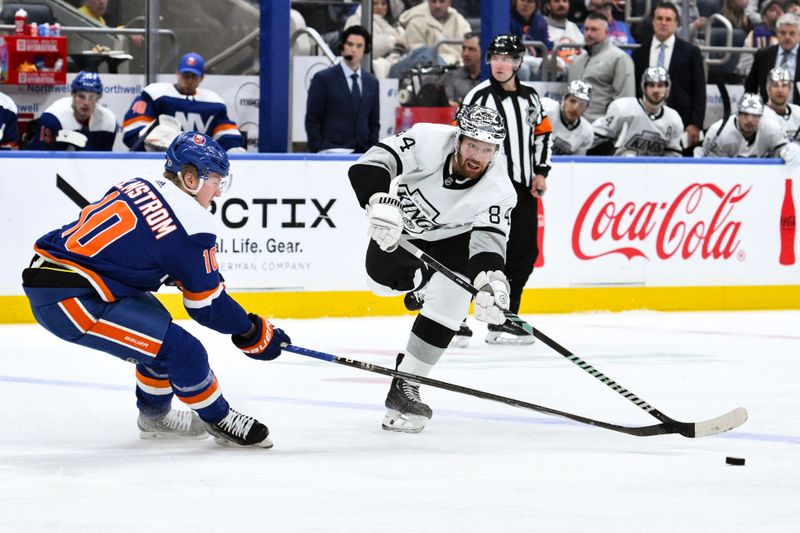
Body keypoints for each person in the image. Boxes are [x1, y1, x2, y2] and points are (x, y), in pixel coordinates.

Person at [21, 131, 291, 448]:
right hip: (70, 300)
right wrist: (252, 331)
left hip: (62, 276)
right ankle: (219, 418)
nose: (218, 193)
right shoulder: (192, 223)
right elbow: (207, 308)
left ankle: (155, 417)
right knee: (183, 350)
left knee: (158, 331)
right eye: (216, 181)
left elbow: (137, 248)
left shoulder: (138, 183)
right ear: (190, 179)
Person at [347, 105, 516, 432]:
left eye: (487, 149)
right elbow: (369, 165)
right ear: (458, 139)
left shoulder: (498, 190)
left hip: (455, 241)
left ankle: (406, 384)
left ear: (496, 151)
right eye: (472, 145)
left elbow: (487, 249)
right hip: (402, 232)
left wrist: (492, 286)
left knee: (456, 296)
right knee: (380, 284)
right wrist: (378, 201)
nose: (478, 156)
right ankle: (422, 287)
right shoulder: (426, 139)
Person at [461, 34, 553, 345]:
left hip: (523, 189)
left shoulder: (531, 98)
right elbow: (458, 141)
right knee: (472, 250)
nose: (500, 64)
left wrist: (540, 171)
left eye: (507, 58)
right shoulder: (477, 96)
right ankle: (454, 316)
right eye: (495, 57)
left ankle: (505, 317)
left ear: (518, 63)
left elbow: (543, 134)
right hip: (485, 189)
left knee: (523, 254)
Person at [122, 52, 244, 152]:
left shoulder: (214, 103)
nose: (189, 81)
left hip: (198, 164)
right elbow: (133, 130)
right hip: (158, 159)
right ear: (177, 73)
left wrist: (232, 148)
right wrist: (154, 143)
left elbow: (226, 134)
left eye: (193, 76)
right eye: (186, 76)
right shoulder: (155, 94)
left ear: (202, 78)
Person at [632, 3, 706, 153]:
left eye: (668, 19)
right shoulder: (640, 53)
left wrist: (695, 124)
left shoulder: (691, 52)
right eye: (659, 18)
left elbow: (699, 91)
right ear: (653, 21)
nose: (663, 23)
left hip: (681, 123)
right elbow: (635, 89)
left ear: (676, 23)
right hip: (645, 124)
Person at [305, 25, 380, 153]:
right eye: (350, 44)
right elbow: (312, 119)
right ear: (342, 46)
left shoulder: (372, 82)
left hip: (363, 154)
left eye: (359, 46)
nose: (353, 49)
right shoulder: (323, 79)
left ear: (366, 49)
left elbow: (373, 122)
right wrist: (319, 151)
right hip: (331, 152)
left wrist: (372, 150)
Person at [591, 66, 683, 156]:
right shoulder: (622, 108)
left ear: (667, 89)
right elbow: (595, 138)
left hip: (653, 170)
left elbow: (673, 155)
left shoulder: (673, 119)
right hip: (619, 167)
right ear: (644, 87)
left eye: (660, 85)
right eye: (651, 85)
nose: (656, 90)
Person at [567, 12, 635, 122]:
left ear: (606, 32)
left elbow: (625, 102)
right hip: (574, 128)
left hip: (601, 128)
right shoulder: (576, 61)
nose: (588, 33)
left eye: (594, 30)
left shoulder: (620, 58)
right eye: (586, 29)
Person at [27, 71, 117, 151]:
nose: (86, 103)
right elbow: (40, 158)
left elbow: (104, 162)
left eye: (91, 97)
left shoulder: (108, 121)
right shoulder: (53, 117)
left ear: (98, 98)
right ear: (73, 95)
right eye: (81, 96)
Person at [703, 93, 800, 162]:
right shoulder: (718, 132)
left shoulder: (771, 129)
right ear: (737, 114)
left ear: (761, 116)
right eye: (745, 114)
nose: (750, 120)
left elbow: (779, 151)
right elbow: (712, 168)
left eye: (755, 115)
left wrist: (787, 150)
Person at [344, 0, 408, 79]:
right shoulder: (355, 20)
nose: (380, 7)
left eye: (383, 4)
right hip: (377, 70)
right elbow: (361, 50)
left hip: (397, 63)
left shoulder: (393, 25)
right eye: (375, 4)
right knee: (423, 53)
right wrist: (393, 40)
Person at [746, 13, 800, 104]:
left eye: (792, 33)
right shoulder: (763, 55)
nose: (787, 37)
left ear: (799, 35)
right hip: (767, 112)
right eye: (782, 33)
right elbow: (751, 86)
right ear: (776, 34)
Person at [398, 0, 473, 66]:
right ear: (428, 2)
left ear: (450, 2)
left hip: (461, 66)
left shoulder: (459, 21)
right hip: (431, 70)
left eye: (442, 1)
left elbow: (470, 47)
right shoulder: (416, 22)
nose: (437, 6)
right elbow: (417, 54)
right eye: (433, 1)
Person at [540, 80, 594, 155]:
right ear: (564, 100)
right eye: (572, 101)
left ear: (586, 108)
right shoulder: (545, 108)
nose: (575, 108)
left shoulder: (587, 132)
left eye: (581, 104)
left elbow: (577, 164)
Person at [441, 32, 481, 107]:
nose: (465, 53)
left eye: (471, 49)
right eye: (464, 48)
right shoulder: (449, 77)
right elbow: (449, 106)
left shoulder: (490, 79)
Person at [763, 67, 800, 141]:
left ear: (790, 89)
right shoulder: (760, 116)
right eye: (775, 85)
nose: (780, 90)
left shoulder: (798, 112)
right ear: (768, 89)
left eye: (784, 85)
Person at [544, 0, 583, 67]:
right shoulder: (541, 26)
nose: (561, 4)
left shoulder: (573, 26)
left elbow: (583, 51)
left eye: (565, 1)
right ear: (548, 5)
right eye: (557, 1)